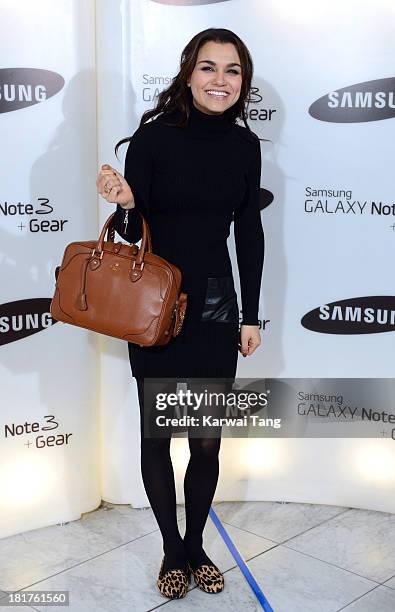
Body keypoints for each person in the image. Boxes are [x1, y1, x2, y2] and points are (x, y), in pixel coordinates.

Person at [96, 27, 264, 600]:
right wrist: (124, 205)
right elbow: (132, 232)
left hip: (218, 305)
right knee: (157, 436)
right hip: (155, 307)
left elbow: (250, 231)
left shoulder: (246, 146)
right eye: (209, 68)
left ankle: (195, 545)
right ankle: (172, 548)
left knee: (207, 441)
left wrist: (252, 315)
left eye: (232, 70)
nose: (220, 81)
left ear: (243, 81)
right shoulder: (153, 138)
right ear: (188, 72)